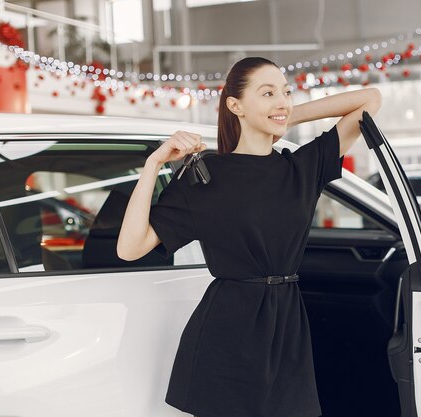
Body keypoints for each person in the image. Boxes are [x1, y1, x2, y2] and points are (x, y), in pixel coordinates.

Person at [117, 56, 382, 417]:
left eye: (286, 92)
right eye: (268, 92)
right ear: (234, 105)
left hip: (287, 327)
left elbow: (370, 99)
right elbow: (131, 248)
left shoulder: (302, 167)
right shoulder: (205, 176)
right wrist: (154, 165)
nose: (282, 100)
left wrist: (285, 116)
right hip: (226, 333)